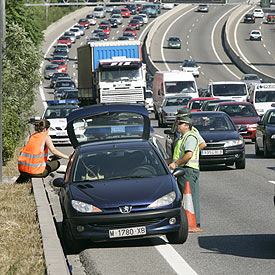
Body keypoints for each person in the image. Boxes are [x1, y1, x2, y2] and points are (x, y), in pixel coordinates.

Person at [169, 113, 205, 230]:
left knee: (190, 196)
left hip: (188, 169)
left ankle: (194, 222)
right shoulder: (182, 138)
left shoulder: (190, 137)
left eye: (180, 123)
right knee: (186, 196)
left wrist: (176, 163)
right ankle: (189, 222)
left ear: (187, 126)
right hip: (184, 169)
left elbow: (189, 154)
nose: (178, 125)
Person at [16, 119, 70, 183]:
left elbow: (33, 152)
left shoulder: (32, 136)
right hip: (35, 172)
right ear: (45, 129)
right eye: (48, 129)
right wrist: (68, 157)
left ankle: (23, 179)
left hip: (22, 170)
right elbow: (53, 151)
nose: (48, 131)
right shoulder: (45, 136)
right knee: (56, 163)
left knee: (47, 161)